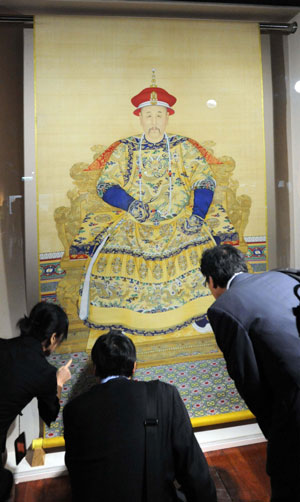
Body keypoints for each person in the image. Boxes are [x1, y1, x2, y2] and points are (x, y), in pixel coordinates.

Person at [72, 71, 238, 336]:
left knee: (201, 254)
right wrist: (129, 204)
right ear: (139, 117)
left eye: (159, 115)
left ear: (168, 116)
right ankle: (122, 317)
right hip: (137, 219)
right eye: (148, 115)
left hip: (180, 219)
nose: (154, 121)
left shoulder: (183, 147)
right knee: (113, 258)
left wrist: (197, 214)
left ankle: (199, 313)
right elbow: (105, 185)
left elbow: (204, 180)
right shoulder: (126, 149)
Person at [63, 330, 217, 502]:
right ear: (134, 366)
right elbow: (193, 468)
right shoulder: (164, 395)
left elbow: (77, 473)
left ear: (95, 369)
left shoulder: (73, 410)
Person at [200, 244, 300, 502]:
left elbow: (249, 380)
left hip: (295, 404)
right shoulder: (285, 275)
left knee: (287, 480)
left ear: (211, 281)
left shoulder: (223, 308)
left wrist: (276, 430)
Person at [0, 302, 72, 483]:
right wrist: (59, 382)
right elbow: (50, 415)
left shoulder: (3, 345)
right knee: (8, 482)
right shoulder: (44, 372)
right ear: (53, 338)